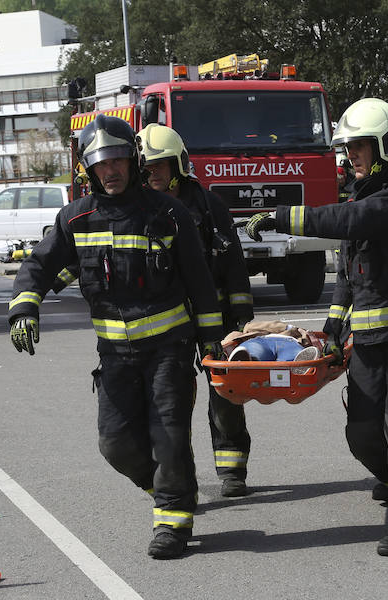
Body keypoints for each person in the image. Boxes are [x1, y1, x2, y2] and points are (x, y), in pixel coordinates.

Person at [241, 98, 388, 557]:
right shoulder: (366, 196)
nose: (349, 155)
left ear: (387, 146)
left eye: (359, 146)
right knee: (362, 435)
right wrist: (334, 328)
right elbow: (351, 273)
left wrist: (281, 216)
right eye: (348, 147)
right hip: (372, 342)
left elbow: (346, 222)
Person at [8, 115, 224, 560]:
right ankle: (169, 486)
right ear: (88, 169)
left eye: (117, 159)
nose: (110, 170)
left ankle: (173, 519)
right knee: (115, 443)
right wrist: (24, 307)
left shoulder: (169, 213)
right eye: (99, 163)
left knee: (168, 434)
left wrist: (211, 343)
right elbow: (39, 266)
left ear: (133, 159)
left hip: (169, 350)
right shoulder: (76, 218)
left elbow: (200, 282)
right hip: (115, 357)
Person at [136, 123, 256, 497]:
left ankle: (232, 469)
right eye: (146, 167)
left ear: (179, 165)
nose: (153, 173)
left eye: (160, 165)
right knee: (171, 402)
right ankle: (176, 477)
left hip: (214, 317)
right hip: (165, 322)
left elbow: (233, 262)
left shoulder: (209, 207)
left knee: (224, 393)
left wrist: (239, 314)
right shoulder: (138, 210)